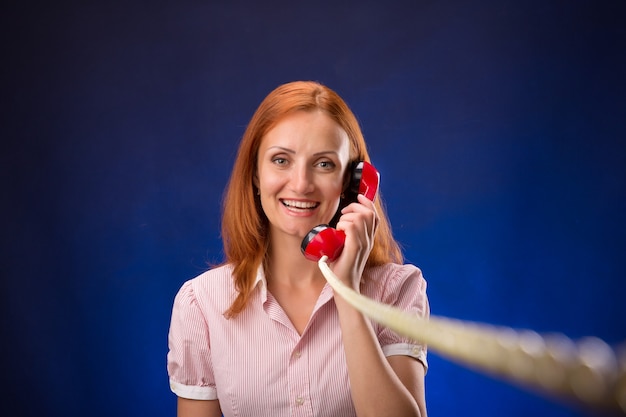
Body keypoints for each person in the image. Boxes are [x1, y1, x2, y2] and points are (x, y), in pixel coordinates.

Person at [167, 81, 430, 417]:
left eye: (324, 164)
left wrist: (348, 294)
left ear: (354, 184)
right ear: (256, 174)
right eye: (281, 160)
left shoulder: (396, 290)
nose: (302, 184)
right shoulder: (201, 303)